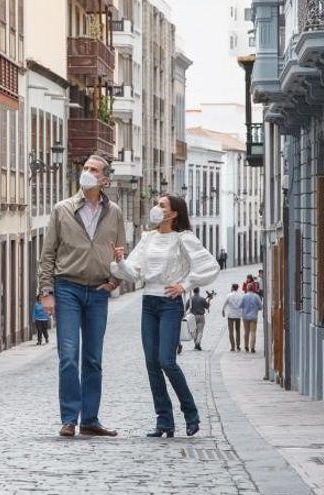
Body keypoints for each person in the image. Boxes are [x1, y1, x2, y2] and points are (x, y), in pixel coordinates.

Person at [111, 195, 219, 438]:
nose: (156, 208)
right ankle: (164, 422)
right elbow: (135, 273)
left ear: (174, 214)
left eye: (162, 206)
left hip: (170, 303)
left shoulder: (184, 238)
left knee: (166, 361)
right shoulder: (148, 237)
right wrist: (120, 262)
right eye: (157, 204)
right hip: (149, 302)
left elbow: (210, 266)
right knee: (151, 363)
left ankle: (191, 414)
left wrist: (185, 285)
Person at [37, 154, 126, 438]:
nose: (87, 172)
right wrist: (46, 292)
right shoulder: (61, 210)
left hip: (98, 291)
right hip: (68, 289)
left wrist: (114, 280)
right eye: (85, 167)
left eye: (94, 169)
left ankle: (90, 419)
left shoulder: (114, 213)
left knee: (93, 358)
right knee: (68, 357)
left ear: (104, 179)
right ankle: (68, 419)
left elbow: (121, 251)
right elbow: (47, 253)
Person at [240, 286, 263, 353]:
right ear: (253, 289)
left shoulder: (244, 296)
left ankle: (246, 346)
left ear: (247, 289)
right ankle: (252, 347)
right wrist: (256, 309)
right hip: (253, 317)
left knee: (246, 332)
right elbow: (260, 307)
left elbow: (240, 305)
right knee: (253, 332)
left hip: (245, 317)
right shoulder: (256, 296)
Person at [222, 284, 243, 352]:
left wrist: (223, 311)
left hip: (230, 315)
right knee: (238, 331)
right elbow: (242, 305)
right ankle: (238, 345)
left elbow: (224, 304)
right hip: (238, 315)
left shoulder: (228, 295)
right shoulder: (240, 296)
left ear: (232, 288)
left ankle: (232, 346)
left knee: (231, 331)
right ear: (237, 288)